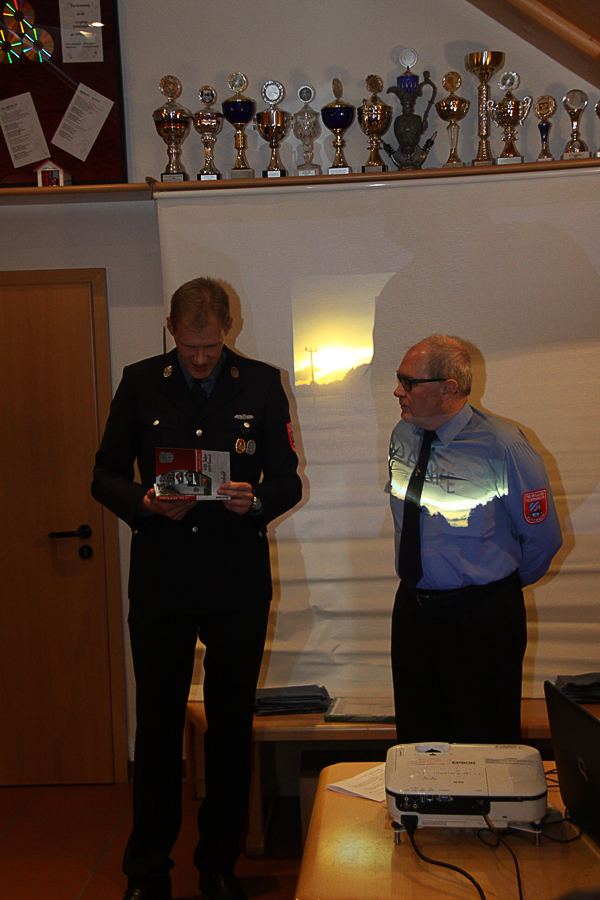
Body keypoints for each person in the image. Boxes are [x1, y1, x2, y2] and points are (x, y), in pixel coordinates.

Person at [92, 277, 302, 900]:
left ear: (228, 330)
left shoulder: (261, 383)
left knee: (230, 726)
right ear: (171, 330)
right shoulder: (140, 381)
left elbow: (287, 479)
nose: (202, 358)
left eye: (211, 346)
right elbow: (105, 474)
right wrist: (145, 502)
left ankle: (218, 864)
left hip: (236, 578)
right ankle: (147, 870)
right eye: (190, 348)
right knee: (158, 728)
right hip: (163, 578)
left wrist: (254, 499)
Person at [386, 334, 562, 746]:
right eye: (399, 379)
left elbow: (543, 538)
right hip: (412, 612)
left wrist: (496, 589)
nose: (398, 391)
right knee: (418, 745)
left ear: (449, 388)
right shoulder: (402, 435)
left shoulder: (504, 447)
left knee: (485, 748)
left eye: (409, 382)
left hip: (480, 622)